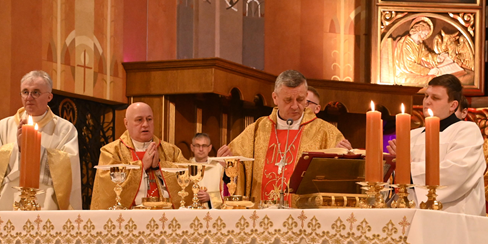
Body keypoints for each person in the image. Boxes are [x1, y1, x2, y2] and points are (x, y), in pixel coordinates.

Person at [217, 70, 350, 204]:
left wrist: (346, 160)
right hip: (261, 213)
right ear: (275, 98)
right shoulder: (256, 130)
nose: (295, 106)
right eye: (288, 100)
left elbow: (340, 179)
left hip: (304, 214)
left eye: (300, 99)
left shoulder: (326, 133)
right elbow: (235, 171)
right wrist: (228, 165)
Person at [0, 71, 82, 211]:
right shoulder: (4, 126)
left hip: (46, 201)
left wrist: (34, 149)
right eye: (25, 92)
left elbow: (69, 165)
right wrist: (18, 148)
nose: (29, 98)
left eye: (36, 92)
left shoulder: (65, 129)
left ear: (49, 97)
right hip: (9, 200)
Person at [388, 74, 485, 215]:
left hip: (452, 215)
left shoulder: (466, 131)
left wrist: (408, 168)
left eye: (435, 98)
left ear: (453, 105)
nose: (427, 101)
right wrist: (391, 166)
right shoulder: (412, 135)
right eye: (426, 96)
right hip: (409, 213)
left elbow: (456, 173)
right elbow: (395, 177)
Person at [90, 102, 189, 209]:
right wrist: (142, 166)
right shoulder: (111, 151)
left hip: (165, 214)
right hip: (128, 216)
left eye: (149, 119)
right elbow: (106, 189)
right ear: (126, 123)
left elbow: (189, 178)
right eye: (139, 120)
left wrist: (159, 166)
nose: (145, 124)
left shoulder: (171, 150)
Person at [456, 96, 488, 218]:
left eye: (453, 109)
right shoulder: (423, 140)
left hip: (469, 210)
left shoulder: (482, 144)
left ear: (464, 113)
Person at [189, 132, 223, 209]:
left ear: (210, 148)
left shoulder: (219, 167)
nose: (201, 149)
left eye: (204, 146)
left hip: (213, 212)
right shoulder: (185, 167)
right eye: (197, 145)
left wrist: (211, 197)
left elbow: (226, 192)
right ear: (192, 147)